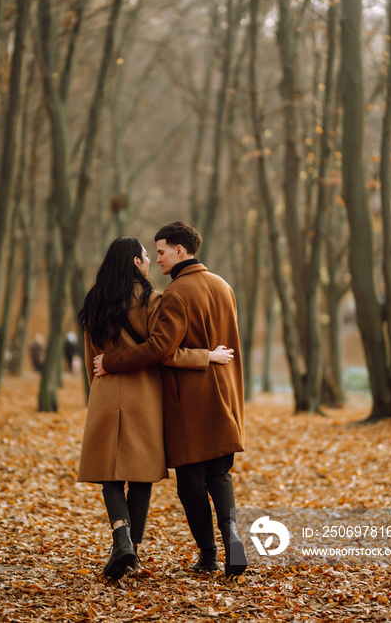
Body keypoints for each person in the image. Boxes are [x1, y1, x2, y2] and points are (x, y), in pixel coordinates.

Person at [93, 221, 247, 577]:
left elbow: (162, 348)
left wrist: (110, 362)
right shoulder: (223, 286)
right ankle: (233, 535)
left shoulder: (176, 293)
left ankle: (209, 556)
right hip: (225, 395)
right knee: (220, 474)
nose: (157, 258)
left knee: (191, 482)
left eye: (160, 251)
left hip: (190, 399)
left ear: (180, 250)